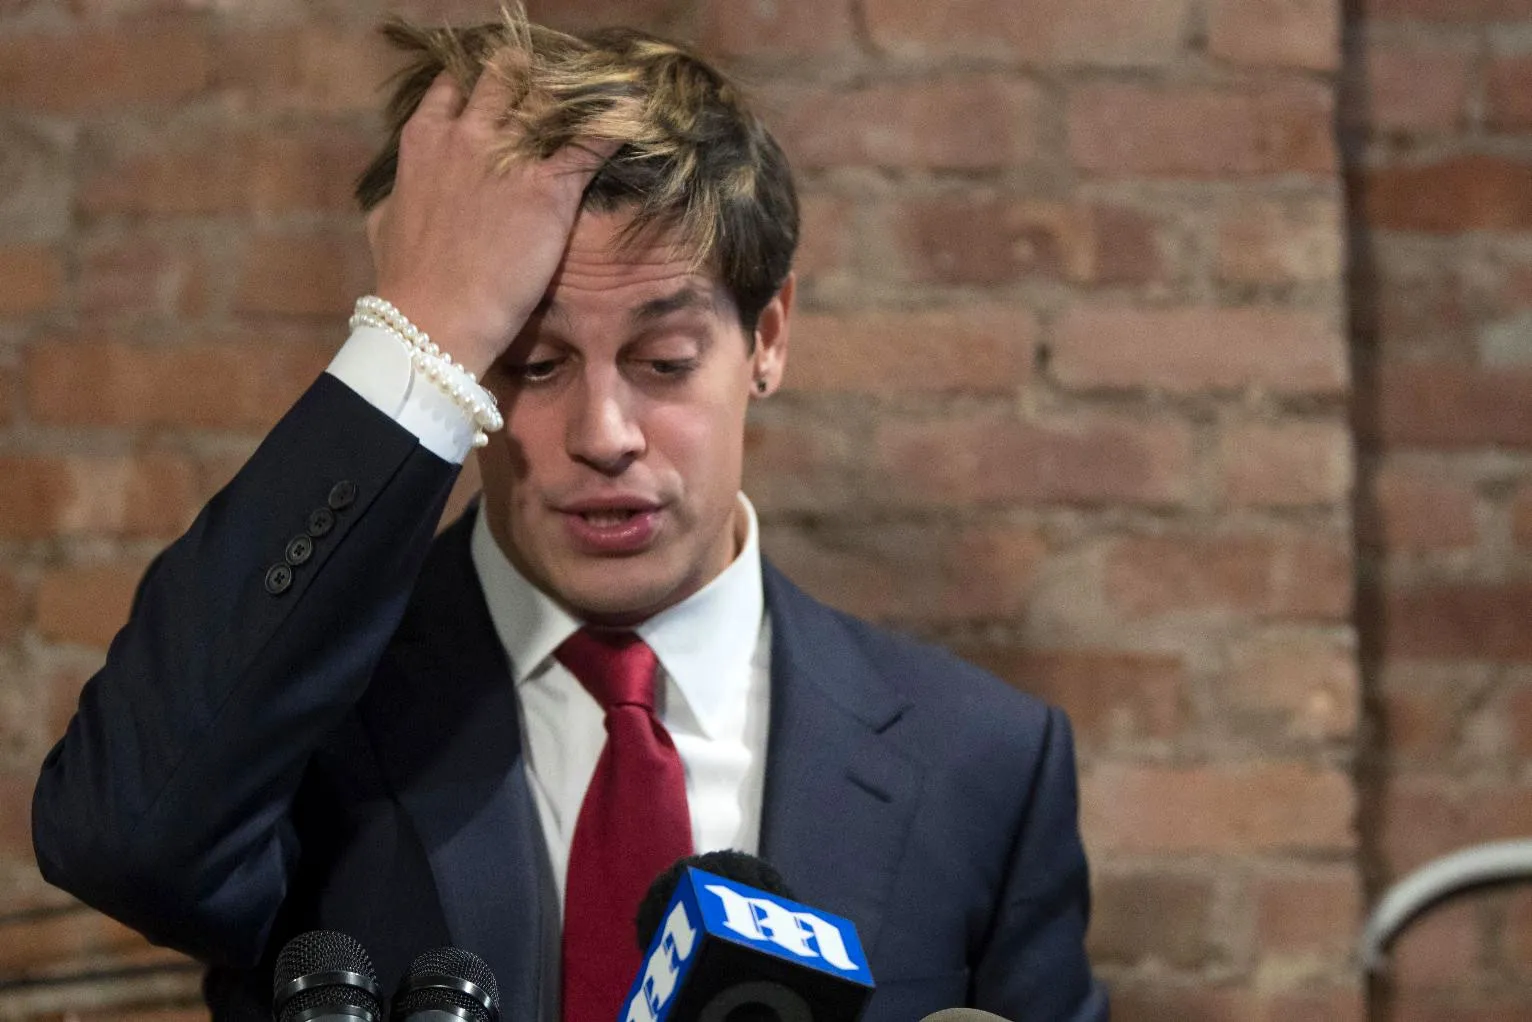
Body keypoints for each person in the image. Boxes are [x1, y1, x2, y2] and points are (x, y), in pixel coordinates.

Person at [31, 11, 1108, 1022]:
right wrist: (421, 328)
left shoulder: (985, 762)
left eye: (664, 361)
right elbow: (124, 839)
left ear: (769, 337)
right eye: (533, 364)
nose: (604, 433)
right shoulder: (305, 707)